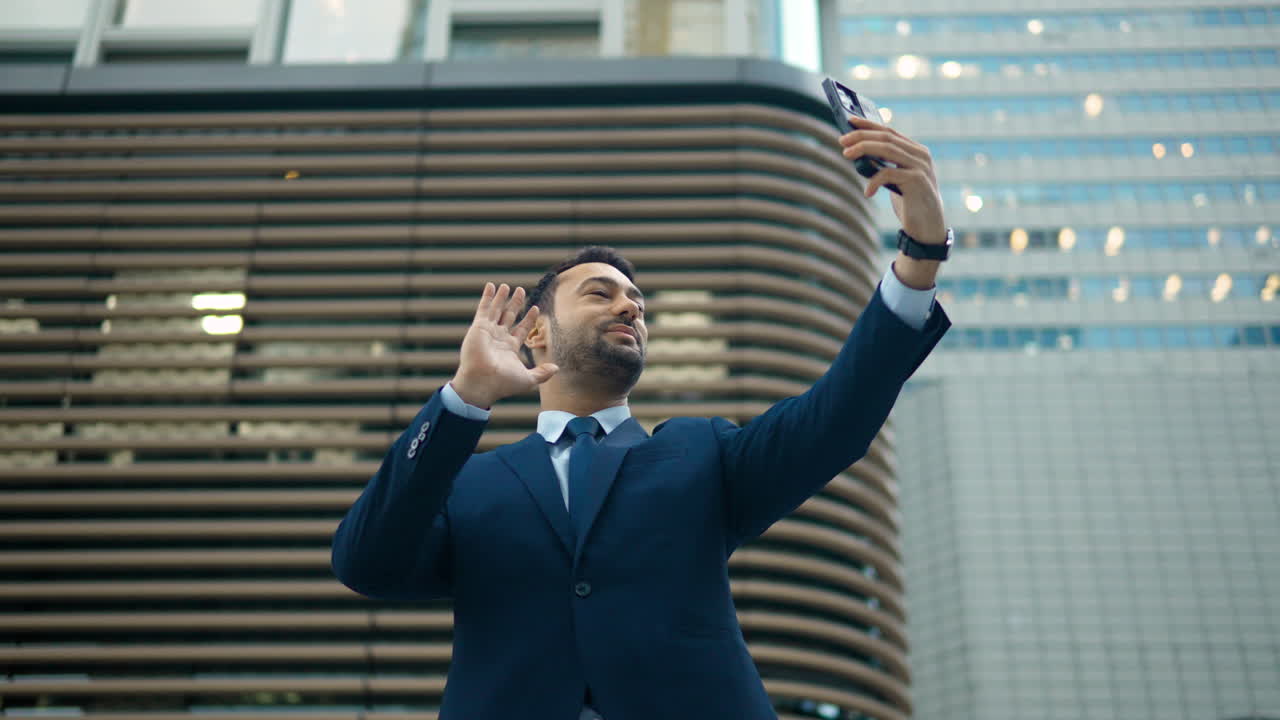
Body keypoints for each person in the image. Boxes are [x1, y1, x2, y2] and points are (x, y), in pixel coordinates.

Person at [332, 112, 952, 720]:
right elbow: (367, 564)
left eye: (638, 303)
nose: (629, 308)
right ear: (535, 333)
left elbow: (836, 417)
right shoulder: (466, 483)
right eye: (601, 293)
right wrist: (464, 399)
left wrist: (919, 254)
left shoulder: (705, 453)